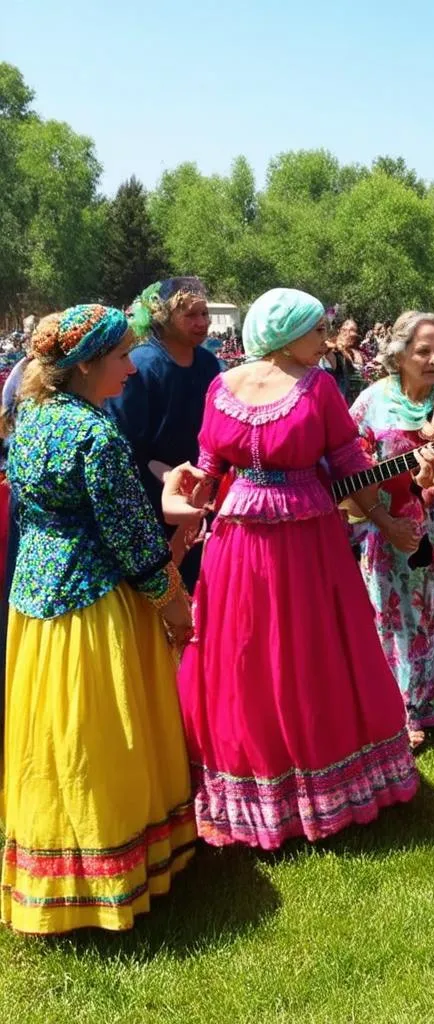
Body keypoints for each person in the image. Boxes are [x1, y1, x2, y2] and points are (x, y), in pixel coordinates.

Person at [176, 288, 421, 850]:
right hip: (242, 542)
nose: (323, 340)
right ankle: (260, 785)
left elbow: (350, 465)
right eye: (315, 330)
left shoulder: (316, 386)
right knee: (245, 652)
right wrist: (196, 492)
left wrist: (386, 517)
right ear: (288, 334)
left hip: (301, 539)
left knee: (305, 650)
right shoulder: (225, 386)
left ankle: (316, 782)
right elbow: (211, 460)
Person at [1, 305, 196, 934]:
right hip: (93, 606)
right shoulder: (95, 435)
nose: (132, 371)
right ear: (86, 365)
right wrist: (174, 609)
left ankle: (50, 868)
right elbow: (134, 542)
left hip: (34, 602)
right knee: (99, 739)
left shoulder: (29, 419)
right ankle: (104, 874)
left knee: (51, 738)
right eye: (121, 359)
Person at [350, 312, 434, 748]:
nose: (433, 359)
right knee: (394, 617)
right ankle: (399, 709)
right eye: (423, 350)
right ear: (400, 352)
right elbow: (351, 465)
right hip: (389, 529)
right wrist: (383, 519)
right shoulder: (371, 401)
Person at [106, 277, 221, 591]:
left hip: (201, 495)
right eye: (191, 315)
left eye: (204, 314)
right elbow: (121, 443)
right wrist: (167, 477)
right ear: (164, 318)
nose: (201, 323)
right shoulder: (141, 367)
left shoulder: (210, 364)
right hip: (152, 498)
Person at [321, 318, 368, 405]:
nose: (347, 333)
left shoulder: (358, 353)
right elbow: (323, 348)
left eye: (352, 330)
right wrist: (336, 346)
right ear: (339, 331)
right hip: (341, 405)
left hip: (358, 404)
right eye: (344, 330)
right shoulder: (334, 352)